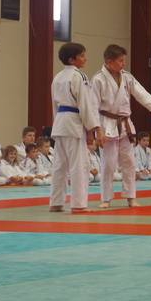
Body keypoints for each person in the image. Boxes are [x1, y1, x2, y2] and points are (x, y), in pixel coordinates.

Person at [91, 44, 151, 209]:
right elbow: (92, 106)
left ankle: (130, 197)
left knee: (129, 162)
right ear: (110, 61)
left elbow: (142, 94)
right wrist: (96, 130)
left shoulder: (127, 77)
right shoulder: (98, 79)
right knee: (108, 164)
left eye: (124, 60)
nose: (124, 64)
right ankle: (106, 199)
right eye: (121, 61)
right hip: (107, 124)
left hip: (126, 125)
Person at [50, 42, 103, 213]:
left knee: (60, 165)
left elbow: (54, 105)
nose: (85, 59)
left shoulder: (58, 77)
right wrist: (94, 128)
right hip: (74, 122)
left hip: (60, 121)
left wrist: (57, 122)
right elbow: (85, 105)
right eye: (82, 56)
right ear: (72, 60)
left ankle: (56, 203)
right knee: (79, 165)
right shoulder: (79, 76)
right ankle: (79, 205)